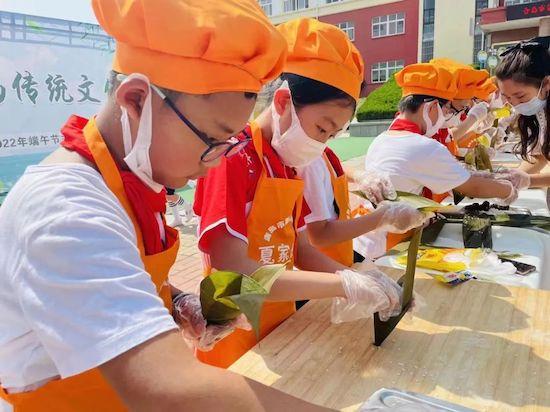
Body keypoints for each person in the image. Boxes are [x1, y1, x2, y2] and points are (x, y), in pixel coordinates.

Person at [0, 1, 342, 410]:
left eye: (228, 143)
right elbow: (166, 389)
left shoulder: (129, 181)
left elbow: (118, 279)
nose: (214, 162)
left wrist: (178, 302)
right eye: (211, 139)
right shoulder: (66, 207)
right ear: (136, 99)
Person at [193, 18, 405, 369]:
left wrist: (355, 276)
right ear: (282, 102)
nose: (321, 143)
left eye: (332, 135)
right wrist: (342, 285)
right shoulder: (234, 157)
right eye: (322, 127)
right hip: (232, 329)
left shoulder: (286, 164)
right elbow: (232, 270)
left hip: (280, 316)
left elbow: (302, 248)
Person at [362, 63, 517, 204]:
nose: (447, 116)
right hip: (398, 233)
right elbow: (473, 187)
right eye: (447, 110)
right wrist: (508, 189)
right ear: (431, 107)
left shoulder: (381, 139)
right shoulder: (424, 146)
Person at [493, 37, 550, 191]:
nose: (515, 104)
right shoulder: (540, 112)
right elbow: (540, 156)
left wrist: (528, 180)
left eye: (520, 96)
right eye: (507, 97)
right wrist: (513, 177)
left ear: (546, 84)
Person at [429, 59, 492, 154]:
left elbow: (449, 138)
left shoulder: (440, 126)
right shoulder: (420, 129)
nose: (461, 113)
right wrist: (473, 119)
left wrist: (475, 126)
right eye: (459, 109)